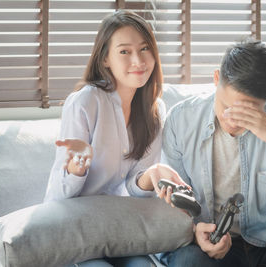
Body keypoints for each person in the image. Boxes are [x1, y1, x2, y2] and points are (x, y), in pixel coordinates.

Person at [155, 37, 266, 266]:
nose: (232, 120)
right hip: (210, 240)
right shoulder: (181, 121)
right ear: (216, 78)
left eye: (247, 113)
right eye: (227, 107)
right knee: (187, 262)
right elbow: (172, 204)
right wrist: (194, 232)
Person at [44, 10, 184, 267]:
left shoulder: (155, 111)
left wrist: (151, 175)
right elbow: (60, 193)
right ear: (105, 59)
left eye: (144, 49)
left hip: (117, 225)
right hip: (72, 226)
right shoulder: (86, 101)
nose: (138, 60)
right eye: (124, 51)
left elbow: (133, 190)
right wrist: (76, 169)